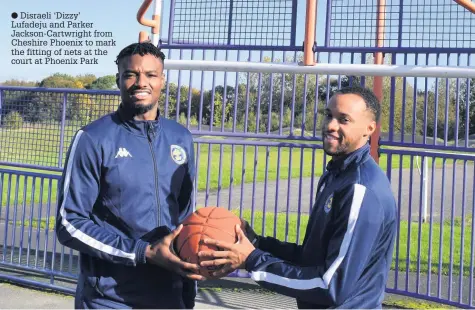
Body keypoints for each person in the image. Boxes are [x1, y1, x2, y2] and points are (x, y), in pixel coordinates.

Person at [198, 86, 397, 309]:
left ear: (369, 129)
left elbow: (330, 287)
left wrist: (253, 260)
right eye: (329, 115)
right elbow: (311, 258)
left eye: (344, 120)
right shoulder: (337, 175)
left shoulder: (360, 189)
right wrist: (257, 243)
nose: (331, 125)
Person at [55, 42, 204, 309]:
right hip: (109, 298)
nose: (140, 82)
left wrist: (187, 288)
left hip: (168, 293)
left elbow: (185, 217)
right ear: (119, 80)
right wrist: (142, 252)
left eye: (150, 74)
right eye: (131, 74)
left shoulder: (180, 137)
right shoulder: (93, 138)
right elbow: (69, 223)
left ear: (162, 80)